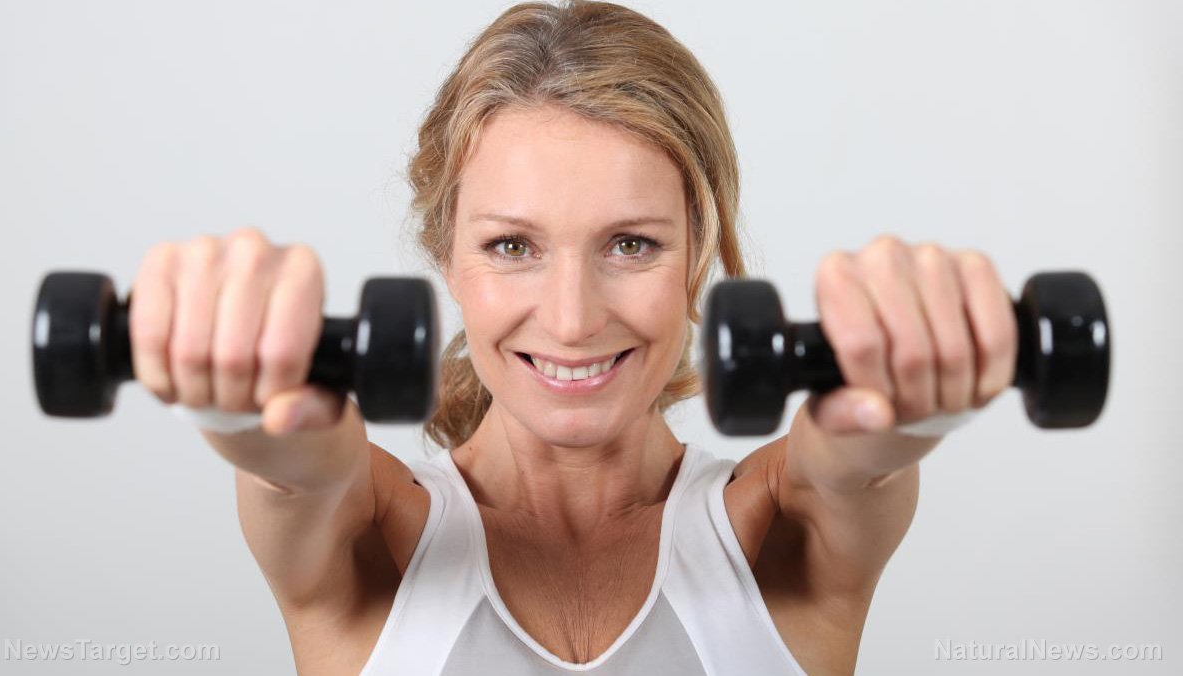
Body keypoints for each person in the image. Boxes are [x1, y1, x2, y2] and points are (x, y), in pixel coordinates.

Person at [128, 1, 1017, 674]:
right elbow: (294, 461)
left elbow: (859, 456)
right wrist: (241, 385)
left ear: (699, 253)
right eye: (511, 247)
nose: (570, 318)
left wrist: (911, 383)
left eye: (630, 244)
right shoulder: (372, 540)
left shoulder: (776, 532)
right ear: (446, 258)